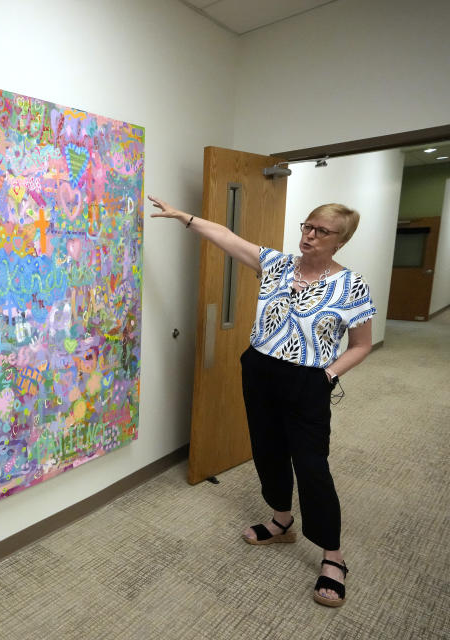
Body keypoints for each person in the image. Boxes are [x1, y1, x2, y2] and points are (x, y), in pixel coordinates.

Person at [149, 195, 376, 608]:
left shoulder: (350, 285)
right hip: (260, 369)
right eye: (307, 226)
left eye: (320, 231)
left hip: (309, 380)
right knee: (267, 451)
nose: (308, 235)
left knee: (311, 465)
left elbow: (362, 344)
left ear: (339, 241)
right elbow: (227, 238)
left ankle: (332, 555)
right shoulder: (277, 265)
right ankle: (282, 521)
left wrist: (328, 375)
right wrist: (186, 218)